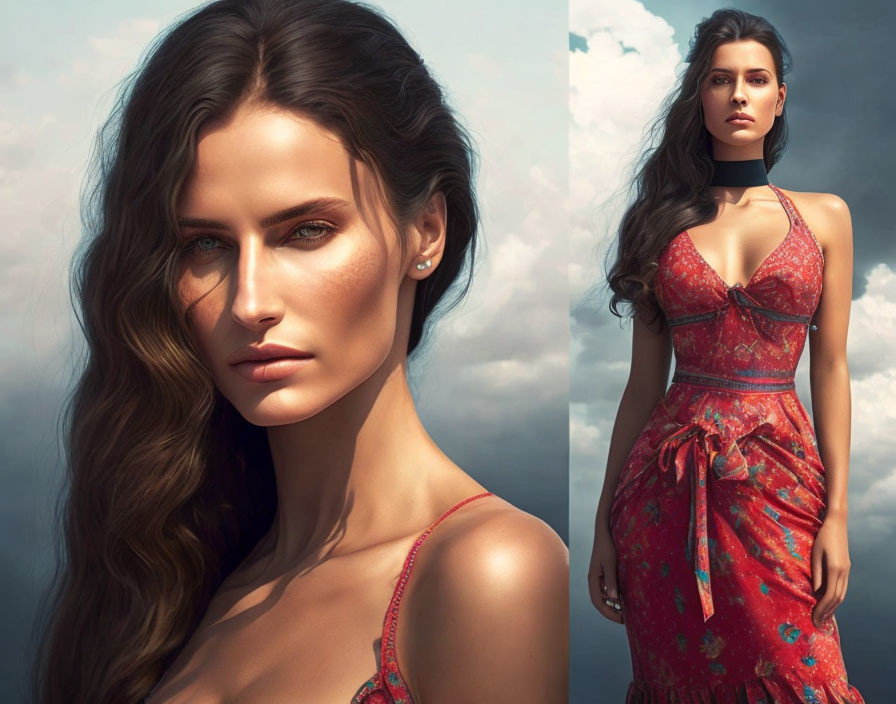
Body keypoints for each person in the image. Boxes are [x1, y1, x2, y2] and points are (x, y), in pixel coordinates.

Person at [28, 1, 569, 702]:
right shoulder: (184, 579)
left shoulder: (488, 571)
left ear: (427, 231)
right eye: (206, 245)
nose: (249, 302)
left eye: (306, 231)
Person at [587, 8, 865, 702]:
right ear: (699, 96)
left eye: (755, 79)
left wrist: (837, 515)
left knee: (805, 678)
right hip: (664, 496)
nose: (738, 95)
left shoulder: (824, 216)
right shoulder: (658, 220)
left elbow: (830, 368)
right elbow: (641, 388)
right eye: (720, 79)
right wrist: (601, 528)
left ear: (779, 98)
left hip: (782, 482)